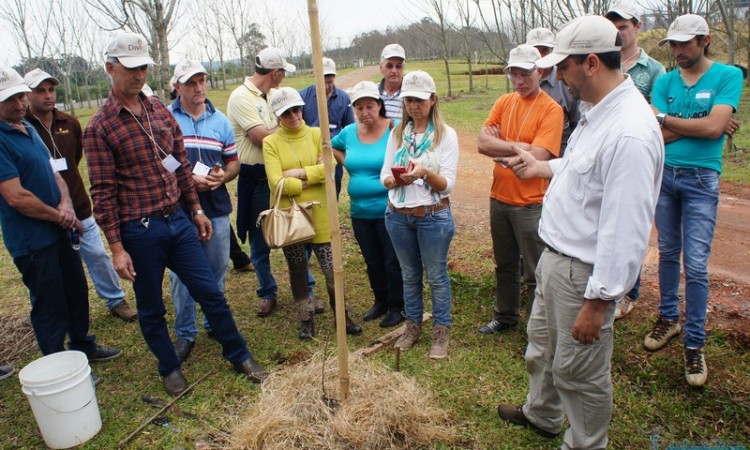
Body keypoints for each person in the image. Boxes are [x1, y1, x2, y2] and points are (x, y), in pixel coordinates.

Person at [494, 16, 664, 449]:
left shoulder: (630, 132)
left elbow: (625, 228)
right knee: (542, 348)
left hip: (583, 275)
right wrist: (544, 166)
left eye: (562, 68)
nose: (556, 76)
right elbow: (585, 169)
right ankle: (543, 415)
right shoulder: (597, 111)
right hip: (556, 259)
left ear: (590, 63)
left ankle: (585, 443)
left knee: (579, 371)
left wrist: (599, 300)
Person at [83, 33, 268, 396]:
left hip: (178, 219)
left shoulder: (157, 113)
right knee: (151, 306)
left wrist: (196, 209)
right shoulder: (100, 127)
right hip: (140, 230)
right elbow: (103, 192)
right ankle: (169, 366)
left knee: (210, 292)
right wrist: (117, 247)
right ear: (110, 69)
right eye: (131, 68)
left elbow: (181, 165)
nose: (139, 75)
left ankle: (239, 353)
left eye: (143, 68)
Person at [0, 66, 122, 366]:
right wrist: (59, 215)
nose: (18, 104)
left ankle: (83, 345)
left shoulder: (28, 130)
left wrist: (66, 203)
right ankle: (58, 364)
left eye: (19, 97)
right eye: (9, 100)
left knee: (76, 291)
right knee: (49, 302)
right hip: (33, 241)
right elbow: (16, 196)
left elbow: (57, 171)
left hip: (61, 230)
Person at [646, 14, 743, 387]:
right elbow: (657, 135)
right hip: (665, 176)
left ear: (704, 40)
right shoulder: (665, 80)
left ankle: (694, 343)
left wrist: (671, 120)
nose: (677, 51)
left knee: (698, 264)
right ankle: (668, 318)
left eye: (685, 43)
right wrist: (701, 124)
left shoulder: (727, 76)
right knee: (668, 252)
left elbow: (714, 128)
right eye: (672, 44)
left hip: (703, 179)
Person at [23, 68, 137, 323]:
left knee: (97, 254)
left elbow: (75, 159)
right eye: (40, 91)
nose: (47, 96)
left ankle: (115, 299)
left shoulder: (70, 123)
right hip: (46, 213)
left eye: (51, 90)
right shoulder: (24, 128)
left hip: (79, 206)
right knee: (59, 265)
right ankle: (61, 312)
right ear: (27, 95)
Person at [263, 87, 362, 340]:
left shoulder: (319, 134)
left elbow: (329, 170)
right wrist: (312, 175)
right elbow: (276, 184)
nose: (293, 115)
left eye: (296, 109)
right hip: (292, 220)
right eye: (286, 112)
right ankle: (305, 319)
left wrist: (295, 174)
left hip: (322, 217)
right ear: (277, 116)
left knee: (333, 271)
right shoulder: (270, 142)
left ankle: (343, 317)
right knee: (297, 272)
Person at [476, 44, 563, 335]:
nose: (520, 81)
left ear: (539, 72)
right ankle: (506, 316)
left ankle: (539, 327)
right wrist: (518, 146)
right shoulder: (504, 102)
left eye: (525, 74)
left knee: (536, 271)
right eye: (514, 74)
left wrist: (504, 149)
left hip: (531, 202)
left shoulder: (551, 109)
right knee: (505, 264)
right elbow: (481, 143)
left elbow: (539, 156)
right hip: (499, 197)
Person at [380, 71, 458, 359]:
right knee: (409, 274)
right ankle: (412, 325)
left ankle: (441, 329)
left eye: (420, 100)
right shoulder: (398, 133)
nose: (414, 105)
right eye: (409, 99)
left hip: (432, 216)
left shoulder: (445, 136)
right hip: (398, 214)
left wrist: (425, 173)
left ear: (433, 100)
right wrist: (394, 181)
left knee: (436, 275)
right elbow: (385, 174)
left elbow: (448, 185)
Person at [166, 61, 240, 362]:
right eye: (191, 82)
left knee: (217, 268)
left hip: (217, 207)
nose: (198, 87)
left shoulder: (220, 120)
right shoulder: (165, 118)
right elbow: (161, 163)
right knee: (181, 275)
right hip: (179, 209)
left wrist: (224, 176)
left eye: (202, 81)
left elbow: (233, 161)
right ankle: (185, 331)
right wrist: (186, 179)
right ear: (177, 87)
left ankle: (212, 321)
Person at [606, 0, 667, 320]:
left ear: (637, 27)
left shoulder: (654, 70)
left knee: (632, 222)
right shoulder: (604, 62)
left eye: (623, 26)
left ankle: (630, 290)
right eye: (613, 27)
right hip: (606, 152)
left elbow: (660, 117)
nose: (618, 32)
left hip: (634, 151)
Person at [227, 47, 296, 318]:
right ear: (275, 73)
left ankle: (306, 288)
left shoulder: (276, 95)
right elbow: (262, 137)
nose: (283, 77)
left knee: (294, 229)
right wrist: (291, 126)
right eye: (282, 72)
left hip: (281, 172)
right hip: (255, 177)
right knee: (259, 237)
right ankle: (267, 291)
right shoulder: (241, 97)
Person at [332, 81, 404, 328]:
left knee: (391, 260)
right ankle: (380, 301)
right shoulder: (349, 132)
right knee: (372, 260)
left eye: (370, 106)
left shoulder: (394, 129)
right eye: (359, 107)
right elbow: (333, 146)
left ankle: (398, 306)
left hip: (389, 209)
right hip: (359, 211)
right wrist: (346, 164)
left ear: (380, 105)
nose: (365, 113)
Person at [299, 57, 355, 197]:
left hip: (333, 154)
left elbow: (349, 130)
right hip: (309, 156)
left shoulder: (343, 98)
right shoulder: (302, 97)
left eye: (329, 81)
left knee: (332, 192)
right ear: (314, 76)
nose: (326, 86)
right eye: (322, 81)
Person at [526, 28, 579, 156]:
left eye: (544, 51)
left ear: (552, 51)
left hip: (560, 158)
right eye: (534, 51)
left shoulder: (566, 81)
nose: (539, 56)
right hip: (529, 155)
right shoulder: (522, 81)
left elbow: (577, 123)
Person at [378, 44, 406, 119]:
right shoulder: (372, 92)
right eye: (389, 66)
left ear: (403, 68)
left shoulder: (411, 93)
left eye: (398, 66)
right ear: (381, 67)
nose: (394, 71)